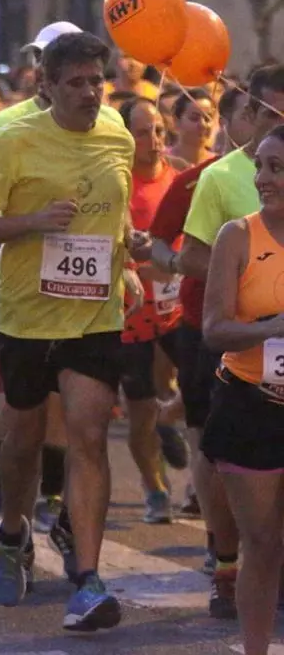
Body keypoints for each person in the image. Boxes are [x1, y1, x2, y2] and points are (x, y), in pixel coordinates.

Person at [0, 32, 140, 631]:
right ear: (47, 85)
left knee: (89, 437)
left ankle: (87, 580)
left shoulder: (117, 133)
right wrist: (35, 221)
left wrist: (129, 255)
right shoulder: (11, 137)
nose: (91, 93)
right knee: (25, 440)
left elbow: (117, 210)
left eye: (97, 81)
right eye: (76, 83)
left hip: (95, 314)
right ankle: (13, 532)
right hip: (26, 315)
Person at [180, 65, 284, 616]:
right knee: (215, 458)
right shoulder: (219, 179)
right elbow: (184, 254)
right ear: (252, 112)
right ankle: (224, 563)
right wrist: (241, 280)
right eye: (274, 111)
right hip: (237, 368)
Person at [202, 124, 284, 655]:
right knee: (262, 541)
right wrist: (272, 327)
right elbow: (213, 330)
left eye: (277, 168)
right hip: (250, 405)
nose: (262, 178)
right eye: (260, 166)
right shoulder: (237, 236)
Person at [115, 97, 182, 525]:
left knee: (206, 385)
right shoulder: (116, 184)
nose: (154, 140)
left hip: (178, 312)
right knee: (140, 415)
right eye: (142, 132)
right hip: (132, 316)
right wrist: (135, 263)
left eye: (158, 130)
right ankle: (154, 488)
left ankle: (169, 418)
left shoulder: (180, 179)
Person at [167, 88, 216, 169]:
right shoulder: (162, 161)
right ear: (176, 121)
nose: (202, 124)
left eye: (207, 119)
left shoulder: (217, 164)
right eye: (194, 118)